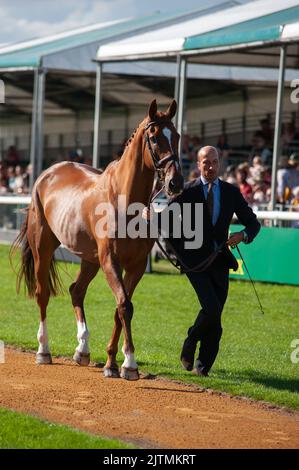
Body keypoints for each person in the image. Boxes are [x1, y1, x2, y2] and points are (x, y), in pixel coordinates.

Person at [143, 146, 260, 377]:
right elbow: (166, 220)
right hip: (194, 262)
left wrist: (243, 235)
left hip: (220, 260)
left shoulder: (231, 192)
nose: (211, 166)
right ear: (198, 165)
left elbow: (253, 223)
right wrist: (152, 217)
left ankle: (203, 366)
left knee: (215, 317)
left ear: (219, 164)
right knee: (212, 307)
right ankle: (191, 339)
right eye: (206, 162)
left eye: (215, 162)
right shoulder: (186, 191)